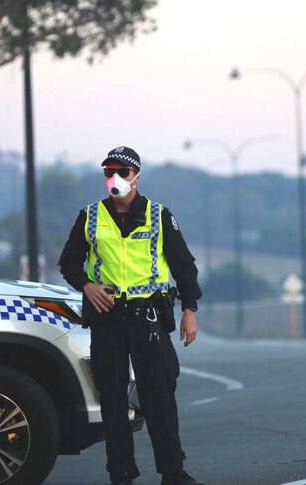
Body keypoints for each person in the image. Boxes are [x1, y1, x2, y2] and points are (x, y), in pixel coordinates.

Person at [58, 146, 204, 485]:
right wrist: (87, 286)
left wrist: (190, 311)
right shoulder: (90, 216)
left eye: (123, 171)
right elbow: (68, 262)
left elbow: (184, 266)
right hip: (107, 317)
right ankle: (121, 475)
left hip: (148, 318)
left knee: (159, 396)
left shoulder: (160, 215)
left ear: (136, 176)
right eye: (110, 171)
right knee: (112, 399)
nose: (115, 178)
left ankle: (173, 472)